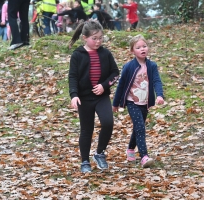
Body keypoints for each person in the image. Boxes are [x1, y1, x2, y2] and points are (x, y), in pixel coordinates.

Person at [68, 20, 119, 173]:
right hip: (84, 98)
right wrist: (74, 95)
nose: (98, 41)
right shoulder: (77, 55)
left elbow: (115, 73)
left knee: (108, 122)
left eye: (100, 38)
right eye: (94, 38)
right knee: (86, 130)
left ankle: (99, 153)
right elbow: (73, 77)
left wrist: (104, 85)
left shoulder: (105, 53)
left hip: (101, 97)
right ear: (85, 38)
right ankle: (85, 161)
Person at [112, 34, 164, 168]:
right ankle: (144, 156)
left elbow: (157, 81)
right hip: (132, 102)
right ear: (132, 51)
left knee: (138, 127)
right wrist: (116, 103)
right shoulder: (128, 67)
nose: (142, 49)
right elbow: (121, 85)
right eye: (138, 47)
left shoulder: (151, 66)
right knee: (140, 127)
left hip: (145, 102)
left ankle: (130, 149)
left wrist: (159, 95)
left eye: (144, 46)